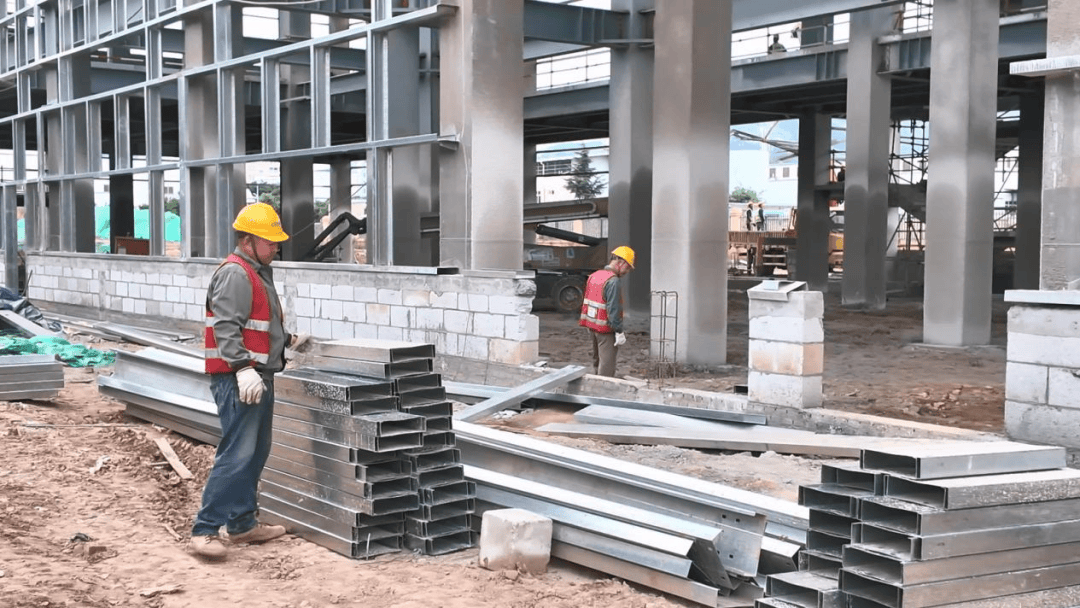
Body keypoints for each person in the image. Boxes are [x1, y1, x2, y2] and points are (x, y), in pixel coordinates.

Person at [190, 202, 311, 559]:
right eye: (269, 241)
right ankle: (205, 530)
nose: (276, 247)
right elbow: (227, 327)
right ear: (247, 242)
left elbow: (256, 323)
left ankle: (242, 524)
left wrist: (285, 339)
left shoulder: (257, 272)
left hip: (260, 376)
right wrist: (243, 369)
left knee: (256, 453)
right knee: (237, 454)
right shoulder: (236, 274)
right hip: (239, 379)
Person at [579, 246, 634, 377]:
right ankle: (603, 387)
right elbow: (613, 309)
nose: (627, 272)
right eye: (627, 268)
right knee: (607, 365)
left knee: (597, 360)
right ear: (621, 262)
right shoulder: (613, 281)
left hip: (592, 326)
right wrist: (619, 330)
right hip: (605, 329)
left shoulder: (594, 276)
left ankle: (595, 383)